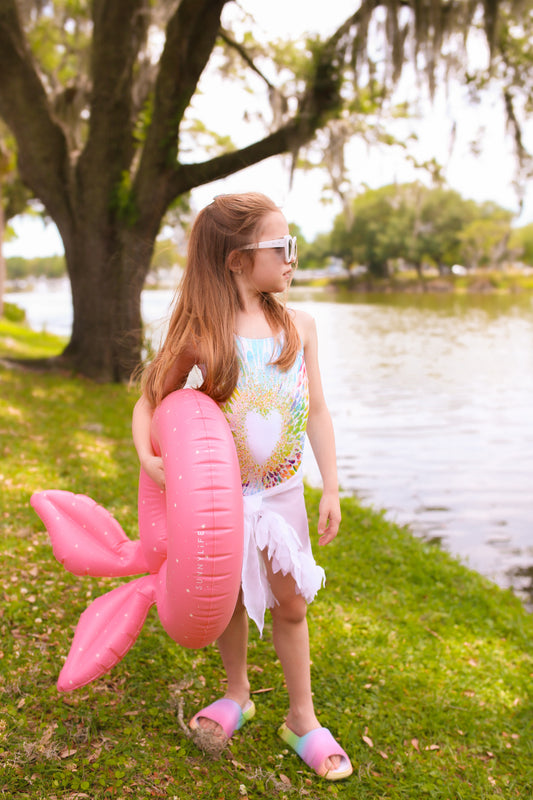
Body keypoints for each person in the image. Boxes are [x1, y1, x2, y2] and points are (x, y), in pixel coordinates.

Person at [132, 192, 352, 781]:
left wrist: (329, 486)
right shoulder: (202, 335)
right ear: (235, 260)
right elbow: (150, 400)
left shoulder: (298, 327)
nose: (292, 258)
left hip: (281, 495)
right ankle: (237, 693)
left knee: (291, 603)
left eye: (293, 246)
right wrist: (147, 457)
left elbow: (320, 412)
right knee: (229, 595)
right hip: (222, 501)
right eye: (281, 247)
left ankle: (302, 717)